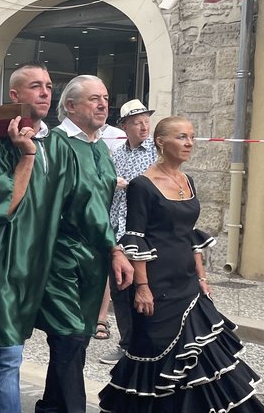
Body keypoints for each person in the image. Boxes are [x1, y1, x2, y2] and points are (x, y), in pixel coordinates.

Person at [0, 64, 131, 413]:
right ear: (15, 96)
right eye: (35, 86)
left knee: (18, 351)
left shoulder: (59, 144)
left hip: (43, 262)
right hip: (5, 261)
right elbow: (0, 206)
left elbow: (84, 203)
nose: (45, 92)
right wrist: (25, 155)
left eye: (49, 86)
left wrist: (112, 248)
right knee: (9, 351)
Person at [100, 117, 264, 413]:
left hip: (188, 284)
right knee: (156, 358)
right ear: (161, 142)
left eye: (192, 137)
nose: (189, 143)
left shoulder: (187, 180)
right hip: (156, 287)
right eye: (182, 137)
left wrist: (202, 277)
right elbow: (135, 238)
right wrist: (142, 287)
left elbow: (190, 233)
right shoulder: (142, 185)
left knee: (206, 356)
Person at [42, 75, 132, 413]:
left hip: (92, 258)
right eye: (94, 98)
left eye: (106, 97)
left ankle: (50, 406)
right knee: (70, 337)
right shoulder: (58, 143)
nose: (103, 104)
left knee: (77, 339)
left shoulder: (99, 147)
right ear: (70, 106)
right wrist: (115, 248)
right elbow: (83, 203)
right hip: (61, 255)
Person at [98, 99, 158, 365]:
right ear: (125, 126)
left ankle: (150, 347)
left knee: (146, 288)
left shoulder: (156, 152)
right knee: (121, 291)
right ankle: (127, 346)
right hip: (117, 229)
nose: (144, 126)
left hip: (145, 232)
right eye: (137, 122)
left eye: (146, 121)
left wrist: (132, 185)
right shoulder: (117, 154)